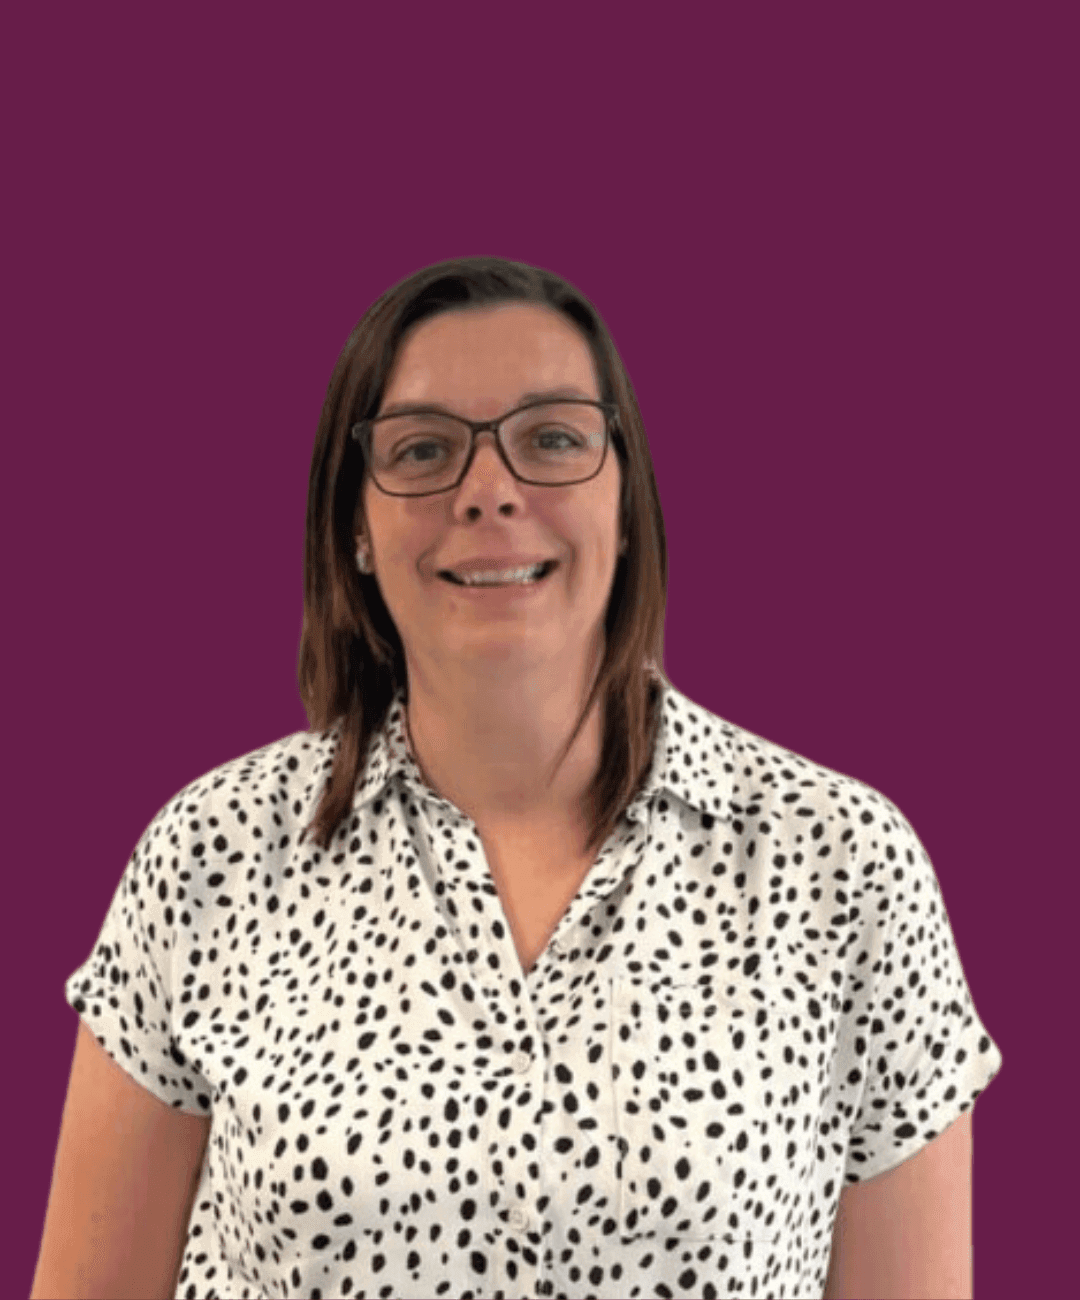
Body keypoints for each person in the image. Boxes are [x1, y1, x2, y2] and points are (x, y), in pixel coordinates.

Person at [32, 256, 1001, 1299]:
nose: (489, 491)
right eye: (422, 449)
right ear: (354, 526)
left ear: (626, 501)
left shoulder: (844, 865)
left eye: (551, 438)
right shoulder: (211, 853)